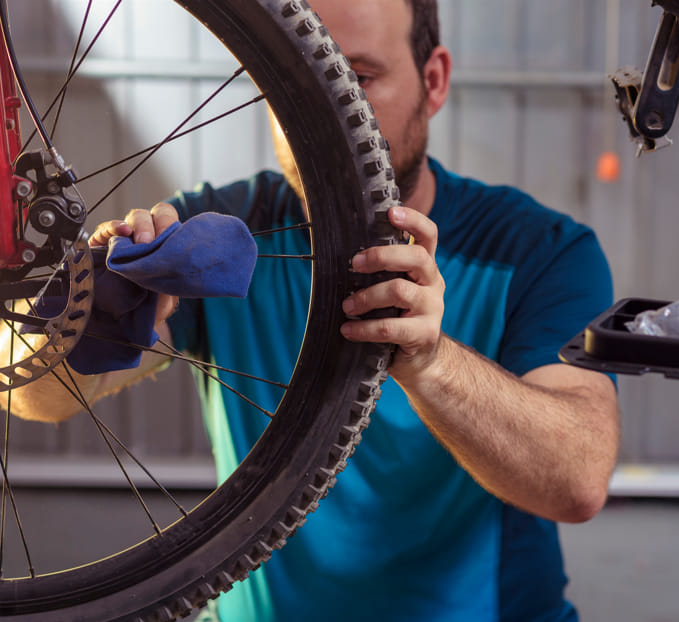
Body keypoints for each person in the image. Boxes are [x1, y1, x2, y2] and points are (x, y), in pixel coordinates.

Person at [12, 0, 619, 620]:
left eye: (357, 79)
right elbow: (32, 396)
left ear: (432, 82)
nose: (333, 116)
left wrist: (431, 362)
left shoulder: (540, 252)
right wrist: (86, 313)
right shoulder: (221, 234)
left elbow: (578, 480)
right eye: (301, 80)